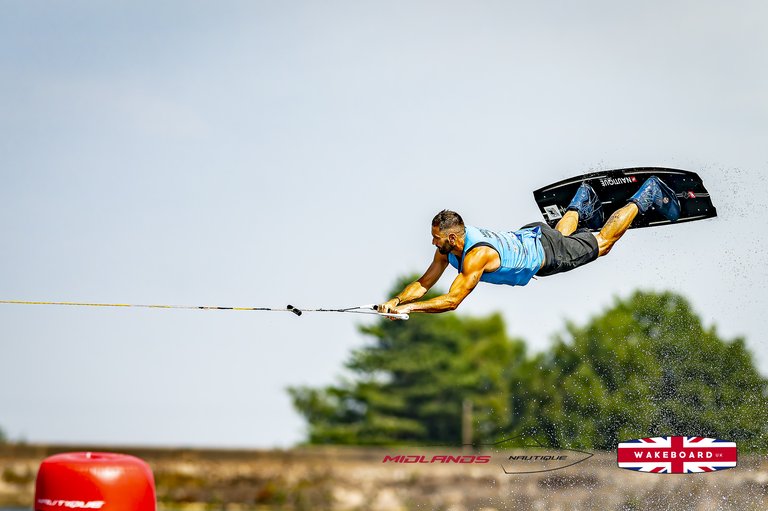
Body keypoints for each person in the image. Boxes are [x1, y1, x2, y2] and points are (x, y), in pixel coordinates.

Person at [379, 176, 680, 318]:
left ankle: (647, 195)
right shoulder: (448, 249)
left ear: (454, 237)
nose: (434, 242)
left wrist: (409, 309)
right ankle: (581, 202)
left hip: (543, 254)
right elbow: (424, 283)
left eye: (437, 238)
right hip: (532, 237)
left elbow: (452, 300)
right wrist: (396, 301)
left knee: (602, 244)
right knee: (561, 238)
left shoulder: (476, 256)